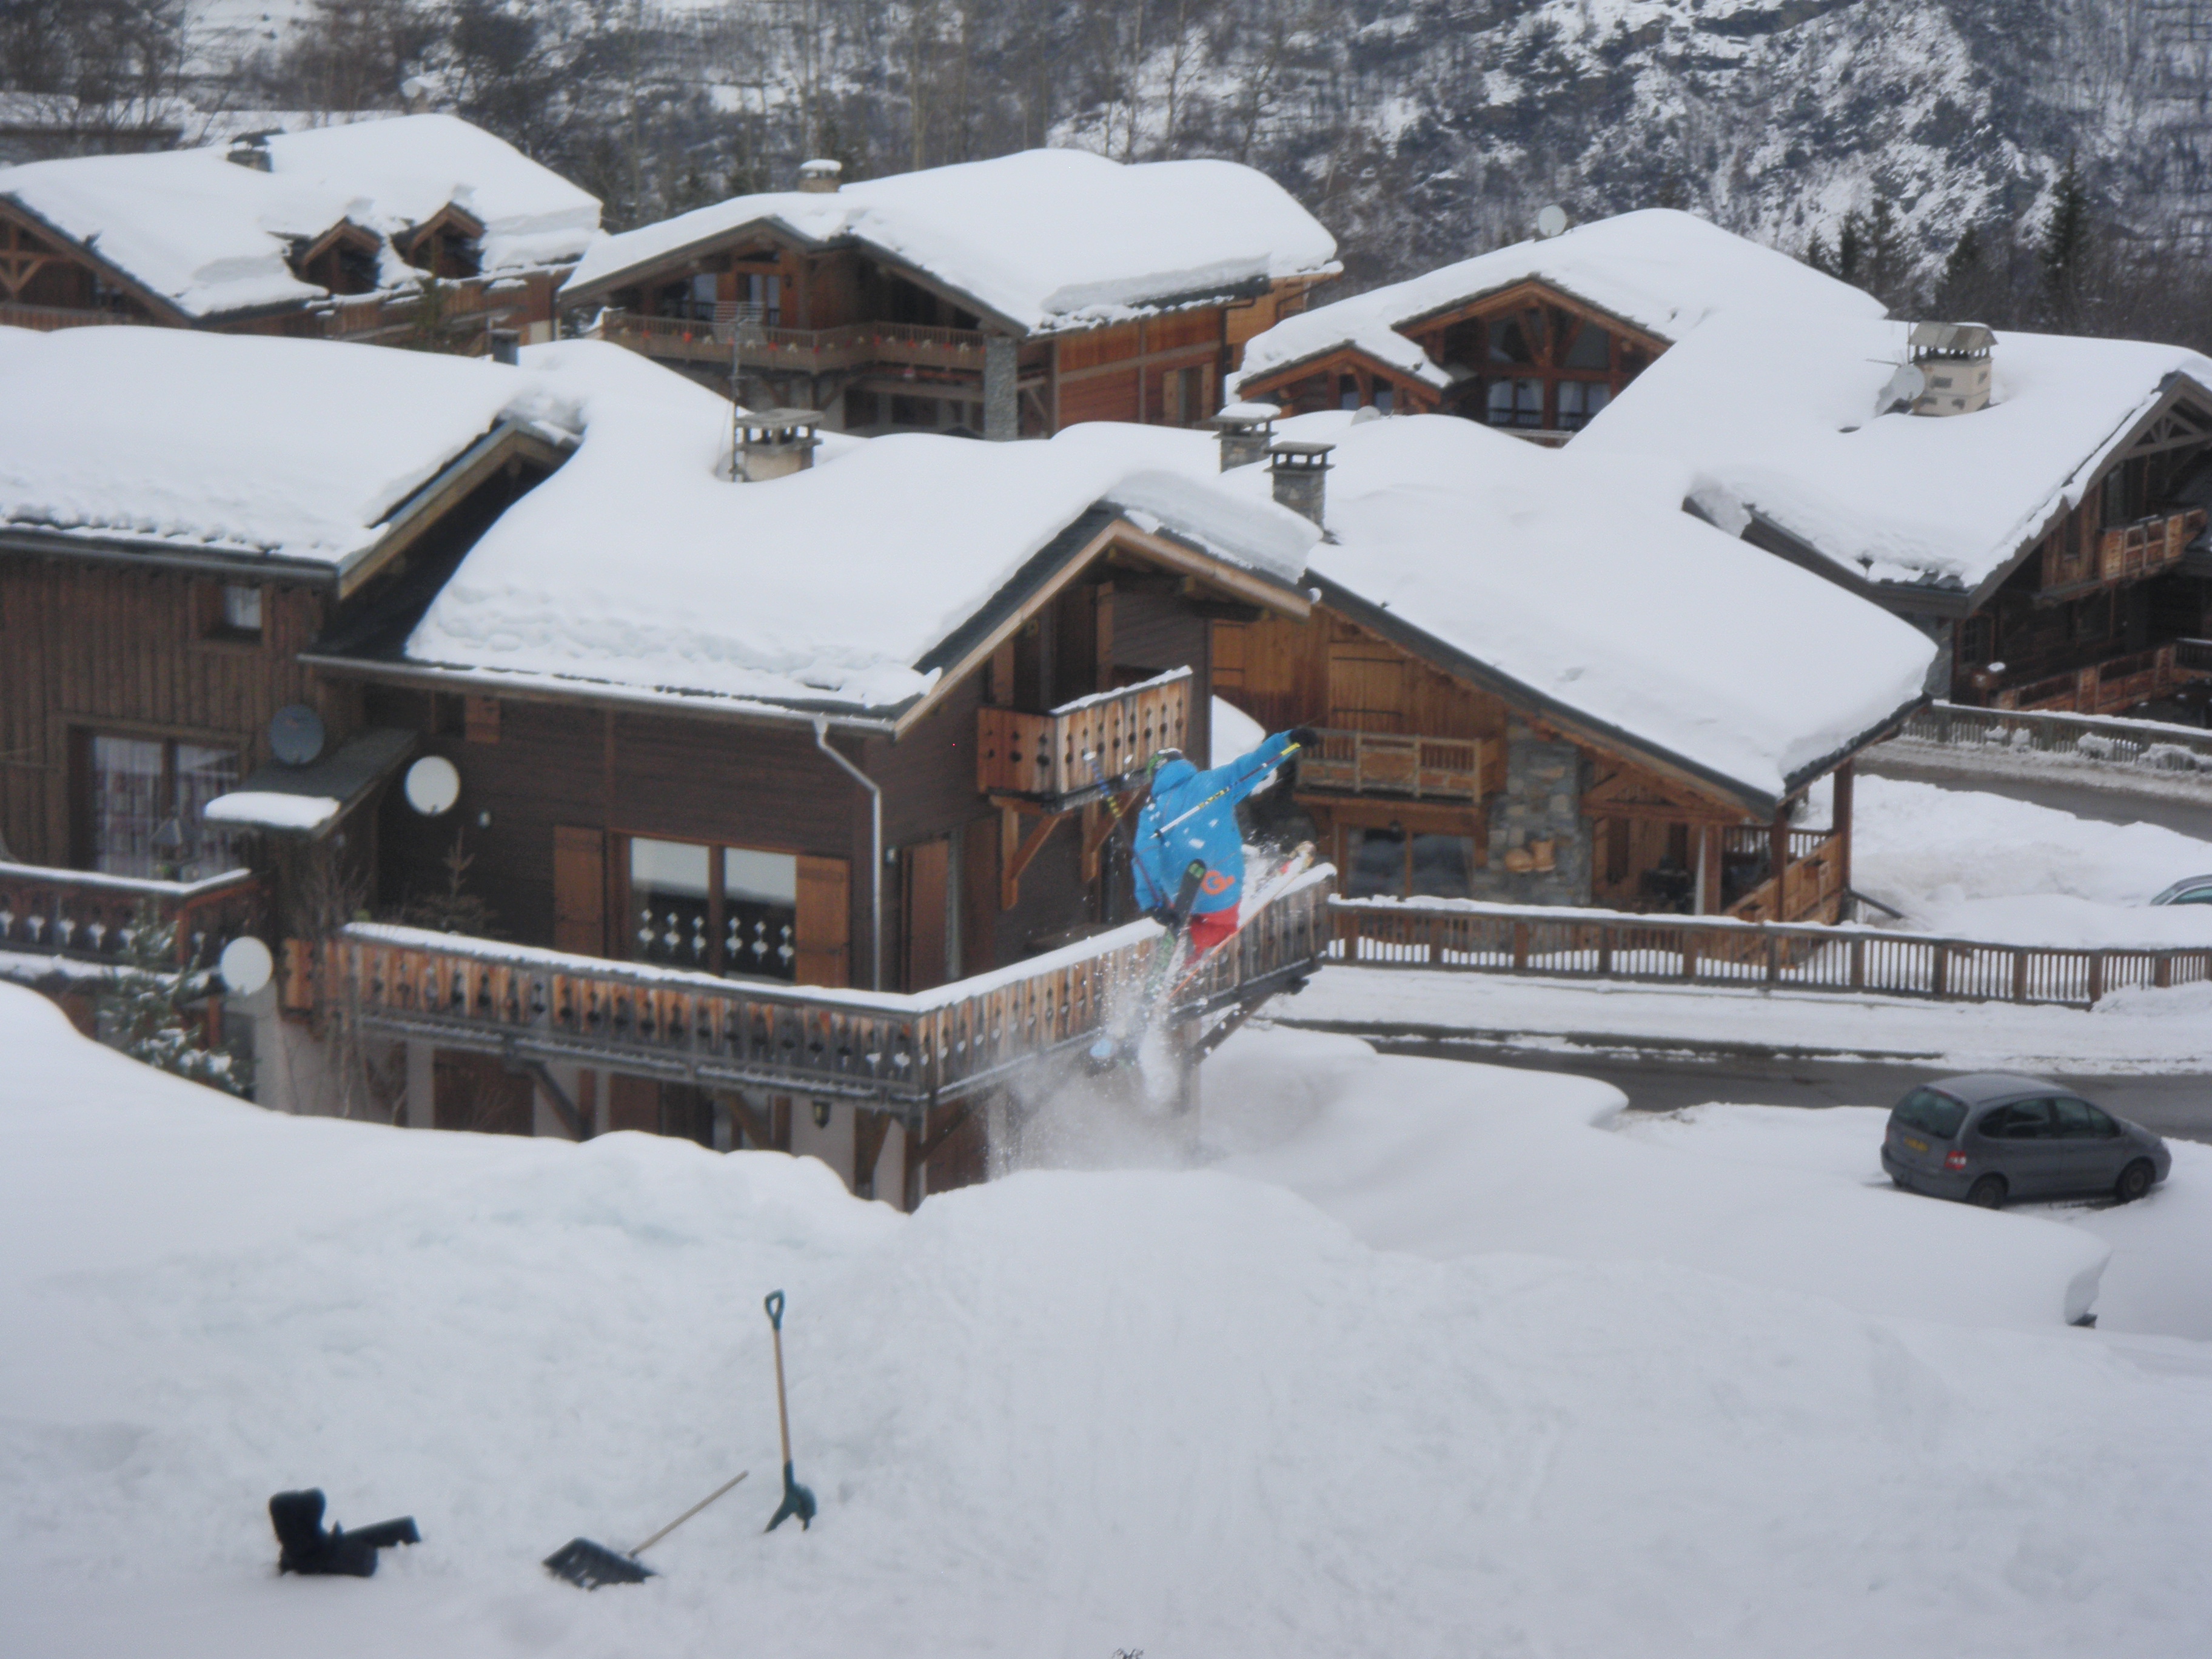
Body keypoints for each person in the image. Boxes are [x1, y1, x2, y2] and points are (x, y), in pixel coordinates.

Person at [1131, 727, 1316, 955]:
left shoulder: (1151, 811)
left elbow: (1144, 854)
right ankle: (1197, 944)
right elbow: (1254, 765)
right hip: (1219, 885)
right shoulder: (1212, 782)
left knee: (1179, 906)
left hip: (1177, 893)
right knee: (1224, 926)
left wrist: (1153, 904)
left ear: (1156, 777)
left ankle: (1183, 941)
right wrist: (1290, 742)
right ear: (1184, 764)